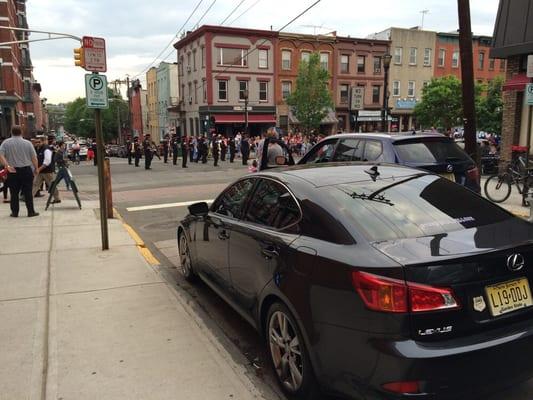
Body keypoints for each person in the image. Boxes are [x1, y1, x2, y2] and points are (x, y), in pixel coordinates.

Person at [0, 125, 39, 217]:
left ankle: (15, 212)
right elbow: (34, 158)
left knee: (14, 193)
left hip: (13, 171)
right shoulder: (28, 143)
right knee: (28, 192)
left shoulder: (6, 143)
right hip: (26, 170)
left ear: (11, 132)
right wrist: (36, 168)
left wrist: (7, 166)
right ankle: (30, 211)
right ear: (21, 132)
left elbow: (1, 155)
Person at [33, 135, 60, 204]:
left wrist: (39, 169)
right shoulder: (37, 149)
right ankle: (29, 198)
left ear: (43, 141)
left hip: (47, 171)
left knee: (51, 184)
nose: (37, 143)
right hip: (40, 171)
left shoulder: (46, 149)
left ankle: (57, 198)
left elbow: (47, 161)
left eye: (39, 142)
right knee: (35, 184)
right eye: (36, 142)